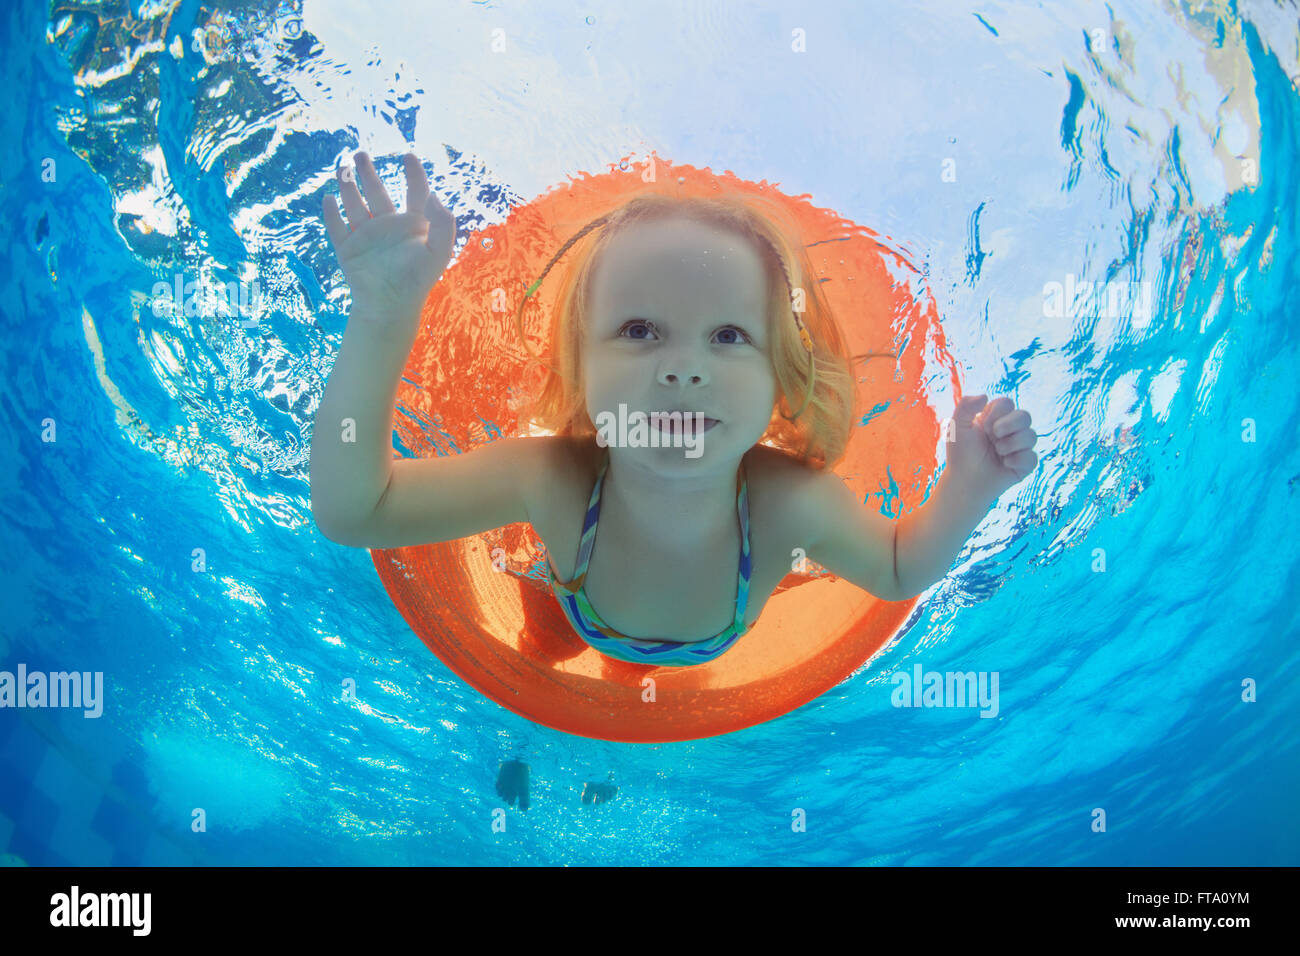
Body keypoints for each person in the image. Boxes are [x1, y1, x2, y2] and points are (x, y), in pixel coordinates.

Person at [311, 150, 1039, 673]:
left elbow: (897, 566)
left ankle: (628, 680)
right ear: (579, 365)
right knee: (544, 654)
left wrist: (971, 483)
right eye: (639, 330)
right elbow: (358, 512)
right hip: (573, 606)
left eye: (728, 336)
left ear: (783, 376)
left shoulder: (788, 502)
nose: (684, 366)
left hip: (699, 649)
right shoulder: (551, 480)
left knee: (638, 678)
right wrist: (385, 313)